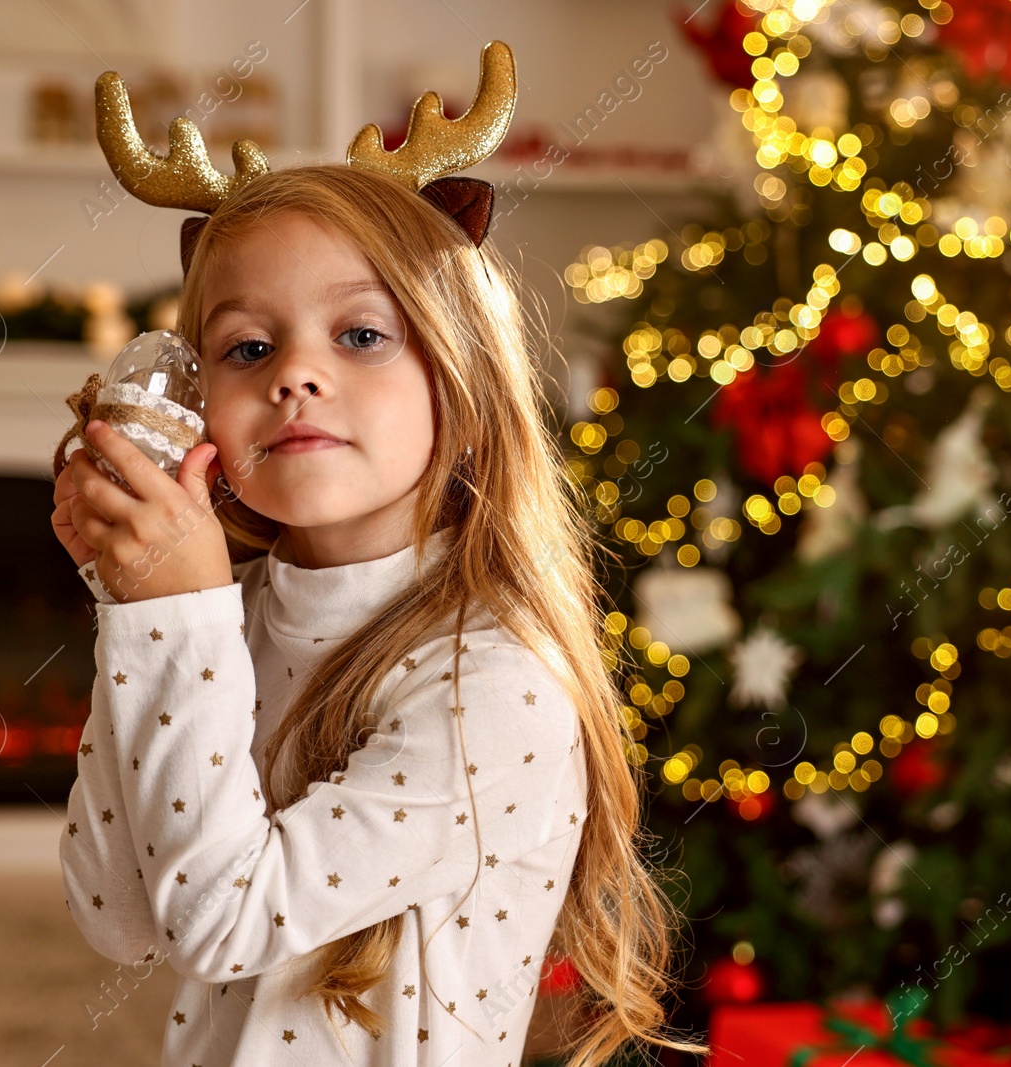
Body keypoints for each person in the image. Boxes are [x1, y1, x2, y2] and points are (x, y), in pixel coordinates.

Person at [47, 43, 706, 1067]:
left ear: (464, 385)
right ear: (198, 403)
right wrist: (133, 610)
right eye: (248, 348)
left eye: (359, 334)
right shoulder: (227, 614)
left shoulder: (491, 682)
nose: (297, 373)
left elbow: (223, 919)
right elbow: (119, 913)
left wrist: (169, 617)